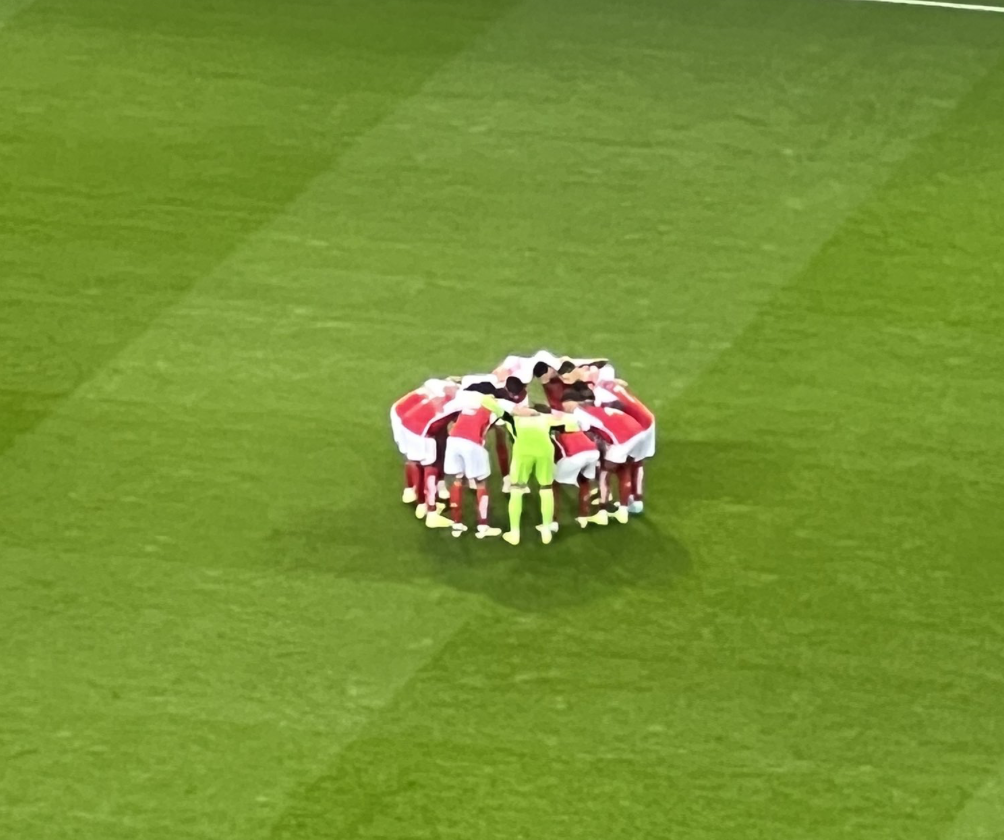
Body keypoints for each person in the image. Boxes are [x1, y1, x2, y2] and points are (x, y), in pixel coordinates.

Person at [482, 396, 578, 545]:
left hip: (523, 453)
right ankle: (546, 531)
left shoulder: (513, 418)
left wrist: (499, 400)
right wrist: (552, 416)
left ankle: (514, 533)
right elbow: (573, 424)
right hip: (545, 452)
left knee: (516, 490)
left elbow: (486, 402)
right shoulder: (547, 419)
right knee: (546, 488)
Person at [560, 390, 645, 524]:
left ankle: (602, 512)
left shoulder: (579, 413)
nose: (564, 408)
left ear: (572, 403)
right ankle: (622, 511)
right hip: (637, 433)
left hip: (622, 439)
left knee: (604, 473)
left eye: (565, 404)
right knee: (624, 470)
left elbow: (588, 435)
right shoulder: (593, 408)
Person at [443, 384, 508, 539]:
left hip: (453, 440)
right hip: (472, 443)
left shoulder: (470, 399)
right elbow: (504, 421)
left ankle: (457, 524)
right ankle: (483, 525)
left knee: (458, 480)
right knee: (480, 483)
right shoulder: (496, 406)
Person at [390, 379, 457, 503]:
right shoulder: (451, 401)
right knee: (427, 461)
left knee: (415, 456)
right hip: (417, 426)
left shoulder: (433, 387)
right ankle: (425, 502)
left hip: (401, 417)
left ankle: (413, 490)